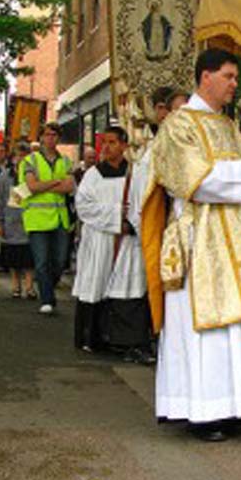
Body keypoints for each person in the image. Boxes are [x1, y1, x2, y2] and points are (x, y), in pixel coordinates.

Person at [142, 48, 241, 441]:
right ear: (206, 77)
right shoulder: (178, 125)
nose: (234, 84)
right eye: (229, 76)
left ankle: (239, 405)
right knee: (205, 327)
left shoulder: (228, 126)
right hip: (200, 237)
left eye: (235, 78)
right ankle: (203, 411)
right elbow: (192, 180)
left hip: (236, 234)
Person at [73, 126, 152, 362]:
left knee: (128, 286)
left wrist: (131, 224)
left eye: (112, 142)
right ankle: (94, 337)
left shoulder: (136, 173)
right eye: (103, 143)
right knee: (96, 282)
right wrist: (117, 216)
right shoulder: (93, 175)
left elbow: (143, 203)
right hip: (99, 239)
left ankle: (124, 341)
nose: (106, 147)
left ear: (125, 146)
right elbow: (84, 206)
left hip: (128, 240)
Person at [20, 122, 74, 315]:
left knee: (59, 261)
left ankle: (47, 288)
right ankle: (47, 299)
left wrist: (45, 185)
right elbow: (31, 187)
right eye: (47, 135)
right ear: (41, 137)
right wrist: (56, 182)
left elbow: (69, 187)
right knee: (42, 261)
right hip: (37, 219)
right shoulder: (30, 160)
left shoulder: (66, 161)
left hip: (60, 218)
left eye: (54, 135)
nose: (51, 138)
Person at [0, 142, 35, 299]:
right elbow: (0, 200)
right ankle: (15, 285)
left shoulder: (33, 176)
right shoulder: (4, 177)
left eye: (24, 156)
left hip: (30, 220)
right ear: (12, 158)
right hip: (10, 220)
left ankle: (30, 286)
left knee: (29, 256)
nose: (20, 159)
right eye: (18, 156)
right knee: (13, 256)